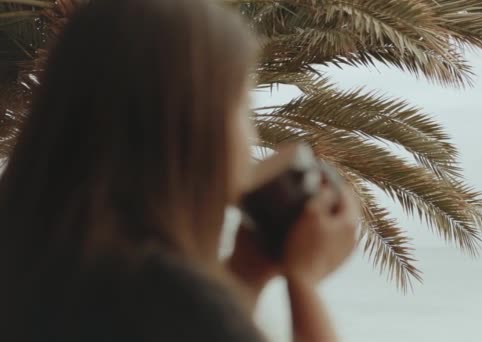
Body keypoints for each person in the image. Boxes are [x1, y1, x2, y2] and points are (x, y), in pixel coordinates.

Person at [0, 0, 359, 341]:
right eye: (242, 106)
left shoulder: (43, 262)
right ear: (192, 126)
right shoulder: (159, 297)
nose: (252, 134)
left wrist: (246, 274)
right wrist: (304, 280)